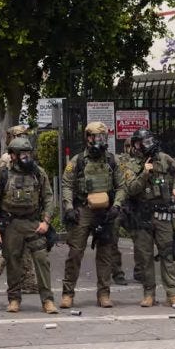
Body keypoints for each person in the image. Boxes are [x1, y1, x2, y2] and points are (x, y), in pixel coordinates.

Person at [60, 121, 128, 309]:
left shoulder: (112, 161)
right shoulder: (78, 161)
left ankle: (104, 294)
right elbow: (67, 184)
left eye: (102, 137)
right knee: (75, 253)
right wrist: (68, 207)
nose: (99, 140)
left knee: (106, 255)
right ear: (88, 138)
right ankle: (67, 293)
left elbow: (122, 186)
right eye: (96, 136)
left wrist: (117, 205)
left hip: (106, 213)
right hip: (84, 210)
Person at [0, 136, 57, 313]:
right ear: (13, 155)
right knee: (13, 262)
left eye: (28, 153)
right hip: (11, 224)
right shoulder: (2, 173)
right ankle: (14, 299)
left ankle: (47, 300)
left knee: (41, 259)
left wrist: (46, 221)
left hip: (33, 223)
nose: (26, 157)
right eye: (22, 154)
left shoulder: (38, 172)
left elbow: (48, 197)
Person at [120, 128, 175, 307]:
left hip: (163, 214)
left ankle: (172, 294)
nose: (148, 144)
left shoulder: (163, 158)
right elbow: (131, 188)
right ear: (136, 145)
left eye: (150, 140)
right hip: (143, 216)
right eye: (144, 142)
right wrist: (144, 174)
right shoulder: (130, 164)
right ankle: (149, 293)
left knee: (167, 253)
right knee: (145, 256)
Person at [0, 126, 39, 297]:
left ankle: (28, 281)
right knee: (9, 249)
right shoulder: (6, 159)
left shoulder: (25, 157)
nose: (24, 138)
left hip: (24, 211)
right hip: (10, 211)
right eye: (20, 135)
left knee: (25, 246)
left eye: (24, 135)